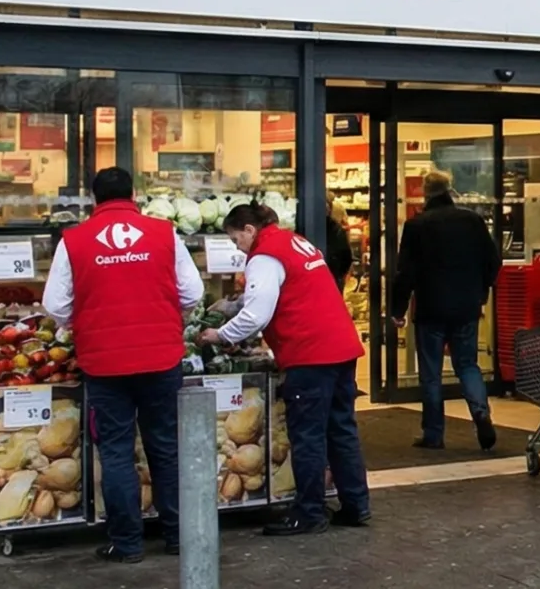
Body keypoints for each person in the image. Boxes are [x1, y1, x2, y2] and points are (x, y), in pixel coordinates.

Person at [45, 166, 204, 563]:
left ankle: (127, 543)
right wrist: (167, 314)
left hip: (104, 363)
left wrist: (82, 321)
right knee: (165, 447)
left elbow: (55, 304)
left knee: (116, 452)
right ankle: (178, 536)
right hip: (161, 358)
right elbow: (193, 292)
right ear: (134, 195)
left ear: (93, 200)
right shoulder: (164, 233)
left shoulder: (74, 240)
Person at [204, 201, 372, 537]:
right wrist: (236, 306)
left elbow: (257, 314)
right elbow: (290, 291)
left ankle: (309, 512)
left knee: (307, 435)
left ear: (249, 230)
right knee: (341, 429)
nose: (238, 248)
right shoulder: (294, 241)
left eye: (237, 239)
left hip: (310, 352)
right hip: (340, 345)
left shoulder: (265, 255)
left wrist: (221, 335)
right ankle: (356, 505)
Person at [389, 171, 501, 452]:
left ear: (425, 192)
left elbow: (405, 272)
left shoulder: (417, 225)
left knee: (431, 373)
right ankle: (481, 412)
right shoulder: (472, 221)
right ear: (449, 189)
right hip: (466, 306)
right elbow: (493, 260)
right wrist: (480, 291)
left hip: (431, 307)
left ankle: (434, 433)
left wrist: (397, 309)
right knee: (467, 364)